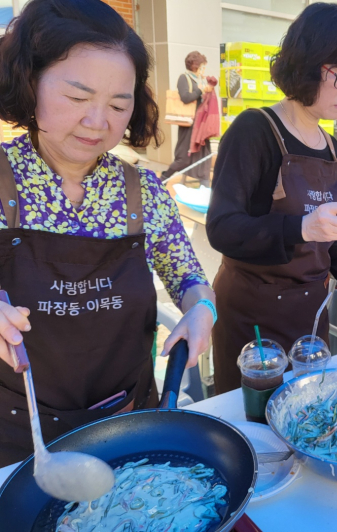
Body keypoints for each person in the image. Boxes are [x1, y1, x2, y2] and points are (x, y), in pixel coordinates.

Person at [0, 0, 215, 467]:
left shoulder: (142, 190)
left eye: (119, 104)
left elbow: (188, 276)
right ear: (29, 81)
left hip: (127, 421)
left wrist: (203, 308)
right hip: (18, 438)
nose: (99, 122)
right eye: (78, 98)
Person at [207, 3, 337, 394]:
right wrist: (302, 226)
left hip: (310, 318)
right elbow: (222, 228)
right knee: (255, 431)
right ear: (307, 64)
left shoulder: (331, 145)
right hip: (252, 319)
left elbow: (331, 242)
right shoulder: (255, 130)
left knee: (309, 417)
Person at [160, 51, 214, 187]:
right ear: (195, 66)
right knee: (183, 158)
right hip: (189, 124)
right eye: (202, 66)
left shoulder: (202, 80)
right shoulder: (184, 78)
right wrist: (201, 91)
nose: (203, 70)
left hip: (201, 125)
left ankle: (205, 185)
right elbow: (185, 97)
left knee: (204, 155)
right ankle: (164, 177)